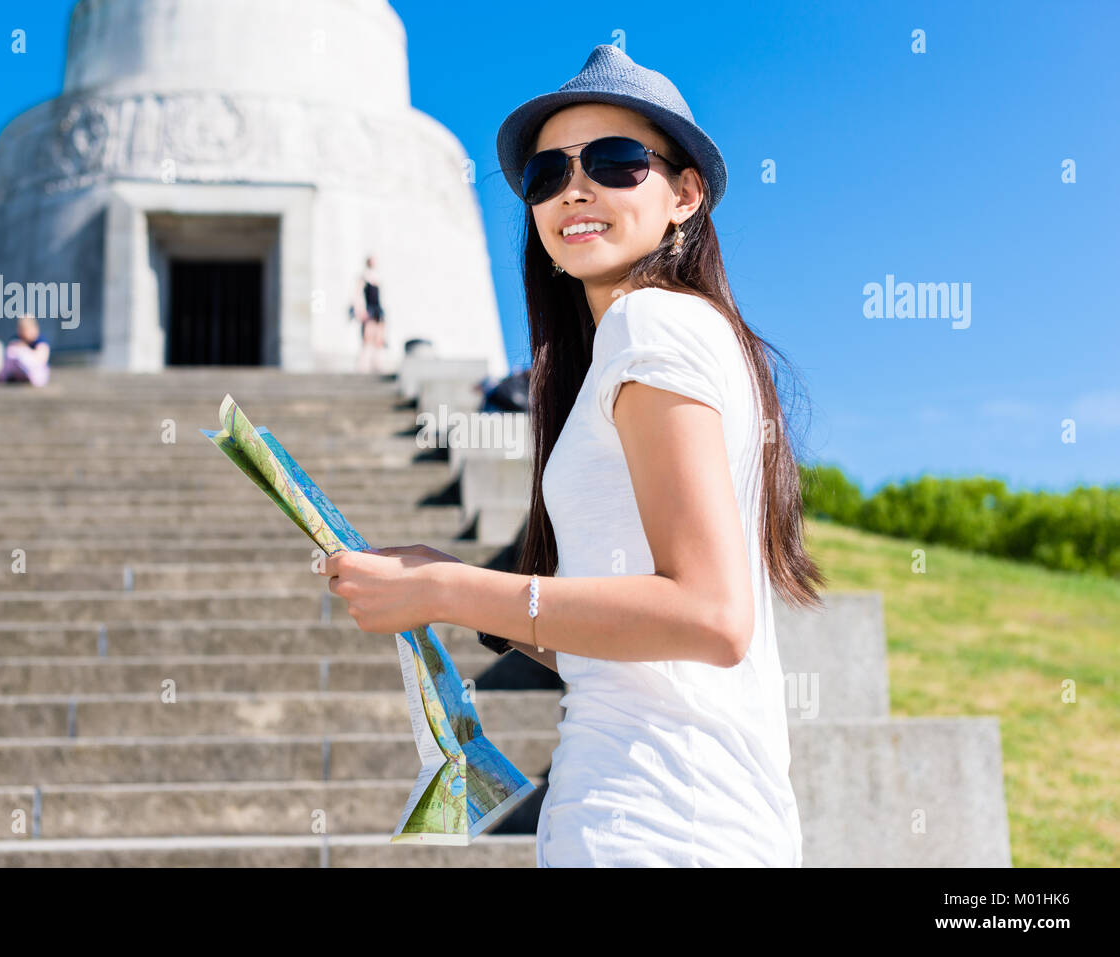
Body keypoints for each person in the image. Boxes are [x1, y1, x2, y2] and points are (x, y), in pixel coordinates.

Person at [316, 44, 827, 867]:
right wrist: (454, 591)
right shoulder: (651, 340)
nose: (575, 189)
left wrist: (450, 585)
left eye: (618, 162)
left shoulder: (650, 324)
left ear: (685, 193)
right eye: (548, 174)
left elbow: (711, 617)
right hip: (653, 813)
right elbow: (638, 640)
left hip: (661, 819)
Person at [350, 255, 387, 373]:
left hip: (377, 310)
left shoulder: (376, 278)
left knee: (379, 340)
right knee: (368, 339)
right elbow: (358, 295)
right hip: (369, 310)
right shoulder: (363, 278)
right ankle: (364, 365)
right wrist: (361, 310)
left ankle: (377, 364)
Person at [0, 315, 51, 387]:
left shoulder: (40, 341)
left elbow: (41, 359)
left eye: (27, 329)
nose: (24, 332)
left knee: (20, 352)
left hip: (38, 373)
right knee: (12, 351)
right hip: (20, 372)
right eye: (22, 329)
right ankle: (4, 378)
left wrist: (24, 349)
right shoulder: (16, 340)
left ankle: (31, 379)